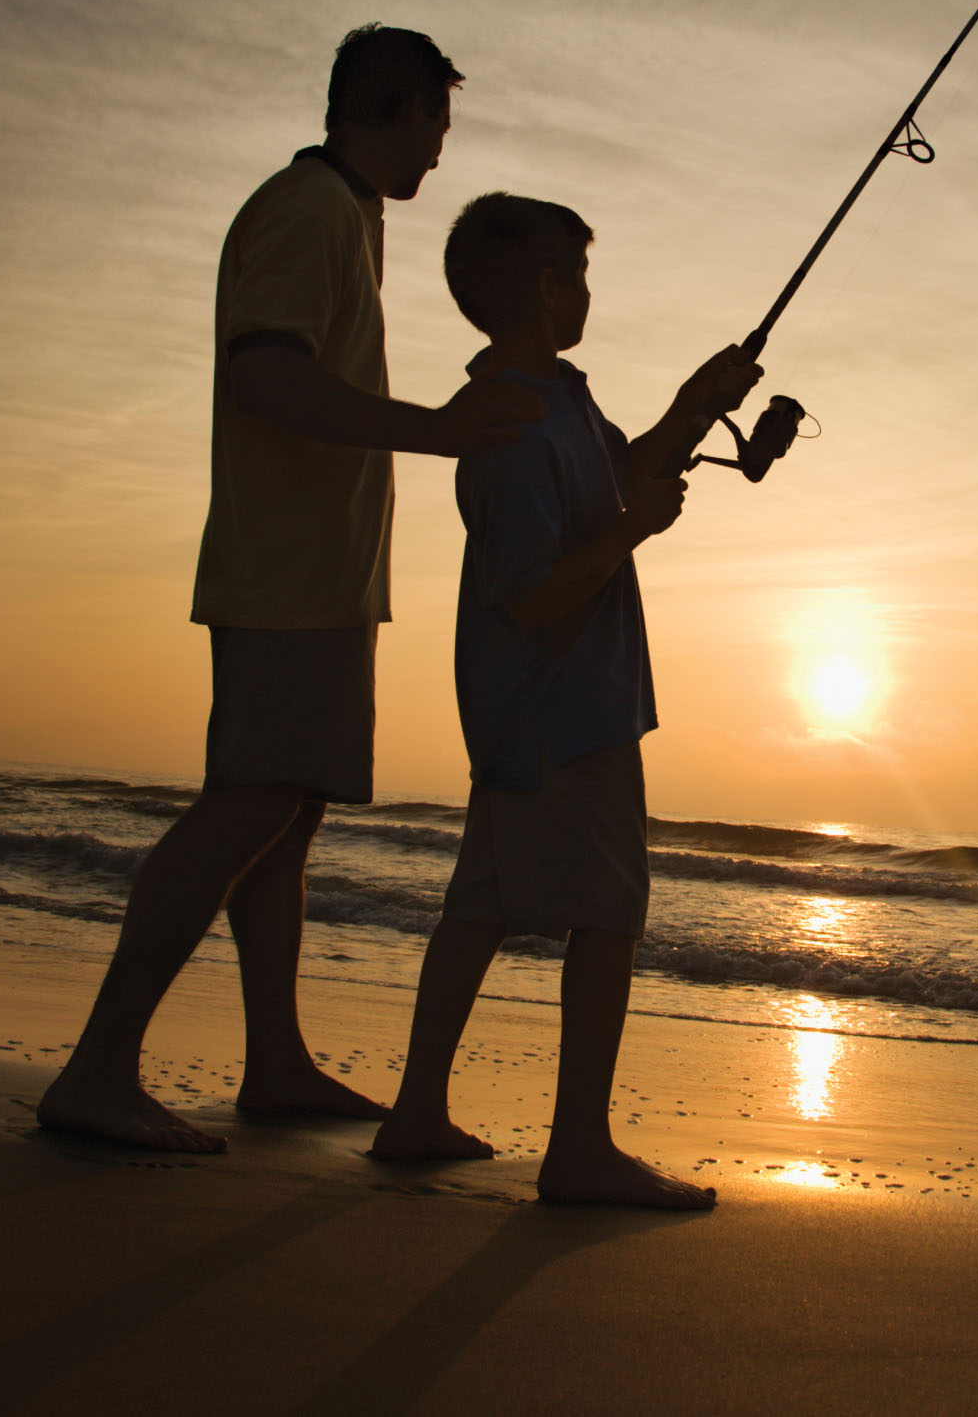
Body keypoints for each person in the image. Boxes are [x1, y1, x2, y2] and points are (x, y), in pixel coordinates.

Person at [38, 26, 542, 1153]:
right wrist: (436, 431)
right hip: (282, 566)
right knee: (254, 799)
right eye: (437, 125)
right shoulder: (304, 209)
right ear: (398, 106)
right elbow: (263, 373)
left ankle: (273, 1059)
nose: (439, 152)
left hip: (319, 570)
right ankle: (97, 1065)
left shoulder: (345, 217)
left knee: (288, 806)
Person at [371, 192, 760, 1208]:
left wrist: (691, 403)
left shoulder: (554, 400)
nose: (587, 290)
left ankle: (415, 1110)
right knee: (607, 911)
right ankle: (577, 1147)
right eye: (577, 275)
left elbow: (620, 476)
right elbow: (536, 594)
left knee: (483, 903)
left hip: (523, 715)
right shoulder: (508, 427)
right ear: (546, 289)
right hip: (562, 714)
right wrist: (632, 533)